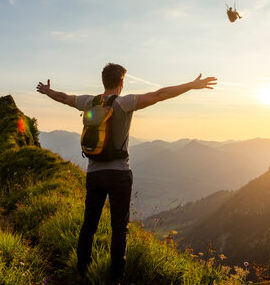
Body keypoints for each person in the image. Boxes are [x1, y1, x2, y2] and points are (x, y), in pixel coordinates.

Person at [36, 63, 217, 284]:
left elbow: (64, 98)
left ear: (103, 81)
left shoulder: (88, 101)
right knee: (119, 228)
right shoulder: (124, 103)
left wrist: (47, 91)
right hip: (119, 174)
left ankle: (81, 271)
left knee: (89, 225)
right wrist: (191, 85)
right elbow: (160, 94)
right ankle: (116, 279)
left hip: (94, 173)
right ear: (121, 82)